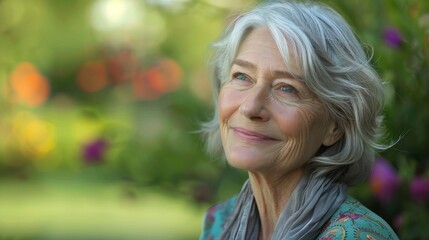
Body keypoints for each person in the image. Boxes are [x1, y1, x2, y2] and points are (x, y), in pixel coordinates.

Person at [199, 0, 399, 239]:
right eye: (242, 76)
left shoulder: (356, 235)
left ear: (335, 125)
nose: (251, 106)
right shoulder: (219, 223)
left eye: (287, 89)